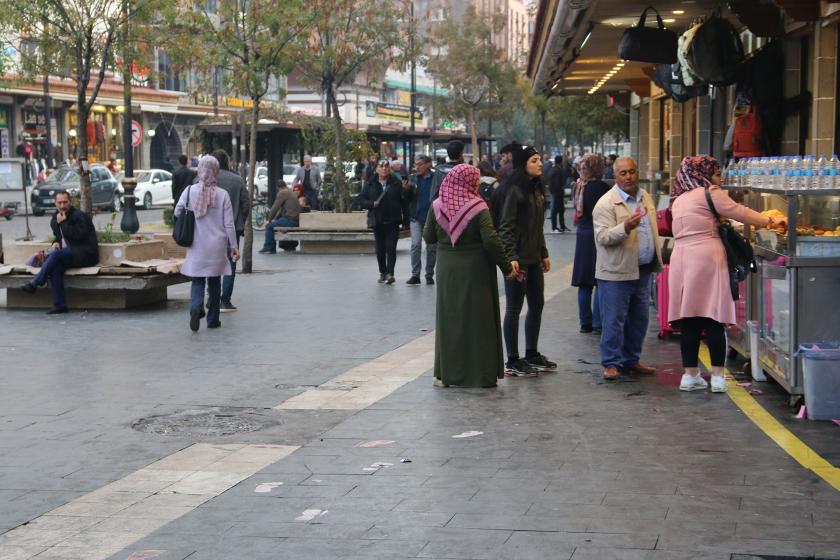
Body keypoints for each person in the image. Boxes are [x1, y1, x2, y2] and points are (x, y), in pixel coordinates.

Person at [669, 156, 776, 393]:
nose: (720, 179)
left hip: (681, 259)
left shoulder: (679, 199)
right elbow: (741, 212)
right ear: (703, 174)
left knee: (690, 319)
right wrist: (770, 221)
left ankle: (690, 376)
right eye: (717, 174)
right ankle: (717, 378)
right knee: (713, 316)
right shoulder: (710, 192)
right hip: (707, 256)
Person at [423, 164, 517, 388]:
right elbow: (491, 241)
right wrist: (506, 267)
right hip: (476, 270)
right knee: (478, 321)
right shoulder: (478, 207)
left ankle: (447, 374)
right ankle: (480, 374)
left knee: (450, 320)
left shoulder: (437, 205)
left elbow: (428, 237)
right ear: (471, 182)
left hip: (447, 269)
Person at [593, 156, 662, 380]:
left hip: (642, 270)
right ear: (616, 176)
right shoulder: (606, 203)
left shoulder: (646, 197)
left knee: (639, 319)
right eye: (623, 173)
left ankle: (631, 359)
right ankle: (611, 363)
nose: (629, 177)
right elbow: (602, 236)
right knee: (614, 320)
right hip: (616, 273)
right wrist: (625, 227)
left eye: (632, 172)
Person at [497, 144, 556, 376]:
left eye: (539, 159)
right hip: (517, 260)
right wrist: (511, 257)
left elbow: (537, 225)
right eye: (534, 160)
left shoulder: (536, 189)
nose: (539, 163)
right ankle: (512, 359)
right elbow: (506, 226)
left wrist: (543, 252)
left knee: (537, 304)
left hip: (533, 257)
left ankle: (531, 353)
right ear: (523, 165)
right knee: (514, 308)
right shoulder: (514, 190)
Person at [175, 156, 240, 332]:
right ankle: (213, 320)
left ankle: (196, 307)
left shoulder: (190, 191)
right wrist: (234, 246)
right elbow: (229, 224)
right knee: (214, 282)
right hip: (217, 246)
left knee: (197, 281)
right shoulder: (222, 194)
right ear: (216, 171)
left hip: (197, 244)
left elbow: (177, 211)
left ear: (200, 169)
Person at [20, 191, 98, 314]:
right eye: (59, 203)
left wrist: (63, 223)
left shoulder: (79, 216)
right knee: (56, 266)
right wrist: (55, 243)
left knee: (56, 256)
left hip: (86, 253)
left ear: (70, 202)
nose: (62, 206)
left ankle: (36, 282)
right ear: (55, 203)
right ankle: (59, 304)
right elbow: (59, 237)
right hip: (70, 254)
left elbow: (78, 237)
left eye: (65, 202)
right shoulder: (55, 218)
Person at [571, 154, 611, 334]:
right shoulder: (602, 188)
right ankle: (598, 322)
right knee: (599, 280)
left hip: (582, 234)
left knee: (584, 282)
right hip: (597, 235)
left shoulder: (579, 186)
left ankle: (584, 323)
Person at [358, 160, 411, 284]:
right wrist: (371, 203)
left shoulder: (397, 183)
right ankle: (383, 272)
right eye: (381, 167)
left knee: (391, 248)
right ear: (376, 169)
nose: (384, 169)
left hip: (393, 220)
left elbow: (405, 201)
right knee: (380, 249)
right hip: (378, 221)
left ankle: (390, 273)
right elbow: (360, 199)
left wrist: (406, 190)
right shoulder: (370, 183)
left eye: (387, 166)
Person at [211, 149, 249, 313]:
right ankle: (225, 301)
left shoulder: (205, 179)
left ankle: (212, 298)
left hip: (210, 229)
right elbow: (246, 205)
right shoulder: (237, 180)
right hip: (232, 228)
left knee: (211, 264)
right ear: (227, 161)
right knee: (230, 265)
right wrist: (240, 220)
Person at [406, 155, 436, 285]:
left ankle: (429, 274)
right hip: (416, 217)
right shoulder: (413, 178)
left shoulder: (436, 178)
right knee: (415, 245)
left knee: (431, 247)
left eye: (420, 164)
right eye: (415, 164)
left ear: (429, 164)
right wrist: (406, 190)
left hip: (431, 217)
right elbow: (406, 199)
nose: (417, 167)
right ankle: (415, 274)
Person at [259, 180, 302, 254]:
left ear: (278, 187)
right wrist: (274, 219)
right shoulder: (290, 191)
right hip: (295, 219)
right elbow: (281, 210)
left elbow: (274, 208)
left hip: (290, 220)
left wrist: (269, 220)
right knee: (276, 223)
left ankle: (269, 247)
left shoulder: (282, 193)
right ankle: (275, 247)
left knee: (269, 227)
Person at [547, 155, 569, 233]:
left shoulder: (554, 169)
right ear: (560, 161)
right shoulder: (558, 170)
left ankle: (561, 226)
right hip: (557, 193)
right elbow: (557, 182)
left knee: (560, 210)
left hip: (556, 192)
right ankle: (555, 227)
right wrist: (561, 188)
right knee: (556, 210)